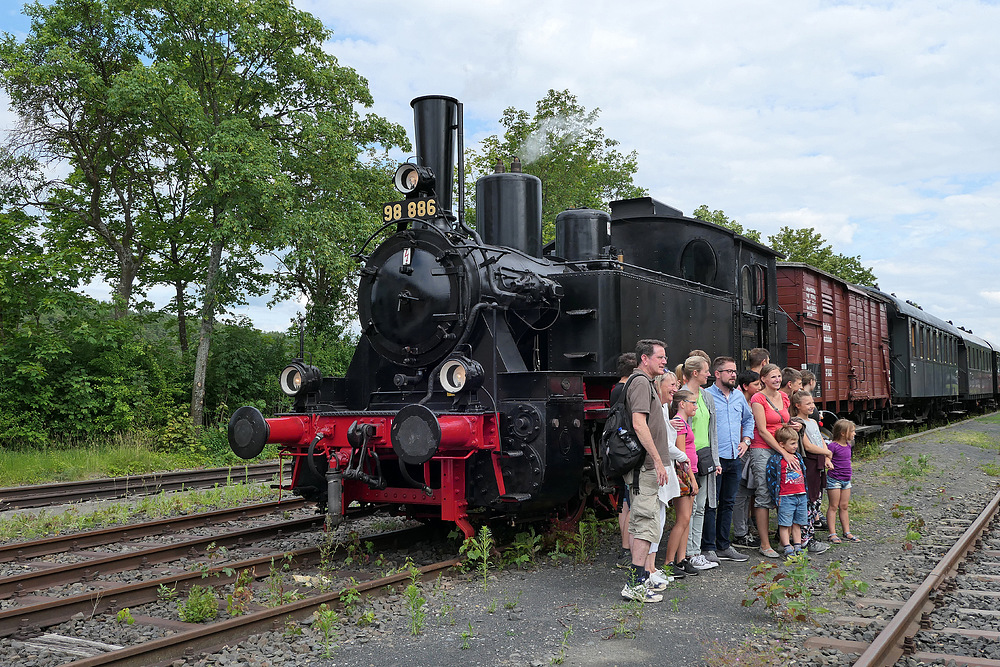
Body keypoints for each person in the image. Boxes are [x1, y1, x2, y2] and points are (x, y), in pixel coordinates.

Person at [621, 339, 671, 602]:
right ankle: (635, 584)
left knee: (647, 523)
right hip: (646, 468)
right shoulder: (640, 382)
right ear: (644, 359)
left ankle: (640, 579)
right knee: (644, 524)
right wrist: (658, 461)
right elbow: (639, 424)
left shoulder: (647, 382)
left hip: (649, 467)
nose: (665, 361)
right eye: (660, 357)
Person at [744, 363, 800, 558]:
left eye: (778, 376)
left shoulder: (784, 397)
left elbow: (782, 422)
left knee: (784, 490)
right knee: (764, 493)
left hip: (781, 447)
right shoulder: (758, 398)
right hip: (763, 449)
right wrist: (783, 452)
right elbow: (761, 430)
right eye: (773, 377)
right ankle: (765, 544)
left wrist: (792, 427)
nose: (777, 380)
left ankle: (785, 537)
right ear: (764, 379)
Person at [702, 356, 753, 564]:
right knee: (711, 504)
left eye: (734, 371)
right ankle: (708, 547)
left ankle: (724, 545)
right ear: (717, 374)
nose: (734, 375)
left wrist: (746, 440)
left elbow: (748, 419)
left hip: (734, 457)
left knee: (729, 503)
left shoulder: (739, 397)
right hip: (716, 459)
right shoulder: (706, 396)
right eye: (729, 371)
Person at [676, 356, 719, 571]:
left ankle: (695, 551)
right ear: (695, 373)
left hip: (704, 457)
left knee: (701, 506)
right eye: (706, 371)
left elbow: (713, 430)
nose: (708, 374)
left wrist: (716, 459)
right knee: (689, 509)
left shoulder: (707, 396)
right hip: (689, 460)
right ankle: (686, 554)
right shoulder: (682, 396)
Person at [648, 371, 688, 580]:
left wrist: (670, 427)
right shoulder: (656, 407)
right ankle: (649, 568)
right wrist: (684, 457)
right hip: (658, 468)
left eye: (676, 385)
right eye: (671, 385)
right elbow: (662, 443)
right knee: (654, 519)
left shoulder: (664, 407)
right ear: (659, 385)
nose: (675, 389)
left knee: (660, 518)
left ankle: (652, 567)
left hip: (665, 466)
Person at [662, 388, 700, 577]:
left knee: (687, 519)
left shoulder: (685, 422)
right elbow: (681, 455)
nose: (696, 406)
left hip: (690, 472)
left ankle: (681, 558)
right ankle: (669, 561)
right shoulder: (679, 423)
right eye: (692, 402)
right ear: (682, 404)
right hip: (684, 474)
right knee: (683, 519)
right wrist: (692, 480)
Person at [790, 390, 832, 554]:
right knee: (809, 500)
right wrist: (826, 453)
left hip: (819, 464)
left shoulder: (813, 422)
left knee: (817, 500)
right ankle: (804, 539)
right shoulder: (798, 422)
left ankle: (809, 535)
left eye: (812, 403)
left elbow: (821, 441)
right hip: (809, 464)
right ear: (797, 405)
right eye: (808, 404)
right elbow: (807, 446)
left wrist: (827, 456)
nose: (812, 406)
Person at [610, 353, 637, 568]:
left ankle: (624, 548)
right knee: (628, 501)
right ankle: (626, 549)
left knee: (623, 502)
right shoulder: (628, 390)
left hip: (619, 450)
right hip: (629, 451)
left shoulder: (615, 389)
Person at [766, 426, 808, 556]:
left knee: (797, 523)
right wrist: (775, 496)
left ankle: (797, 545)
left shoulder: (798, 457)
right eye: (792, 443)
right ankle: (786, 546)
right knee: (785, 523)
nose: (796, 446)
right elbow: (771, 478)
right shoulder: (776, 460)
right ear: (781, 445)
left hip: (800, 495)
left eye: (796, 443)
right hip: (785, 496)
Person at [826, 419, 860, 544]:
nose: (854, 433)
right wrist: (828, 461)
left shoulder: (849, 445)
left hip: (846, 480)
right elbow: (827, 458)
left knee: (844, 506)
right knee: (833, 506)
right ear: (842, 433)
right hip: (835, 479)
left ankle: (847, 532)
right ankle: (832, 533)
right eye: (852, 431)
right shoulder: (833, 446)